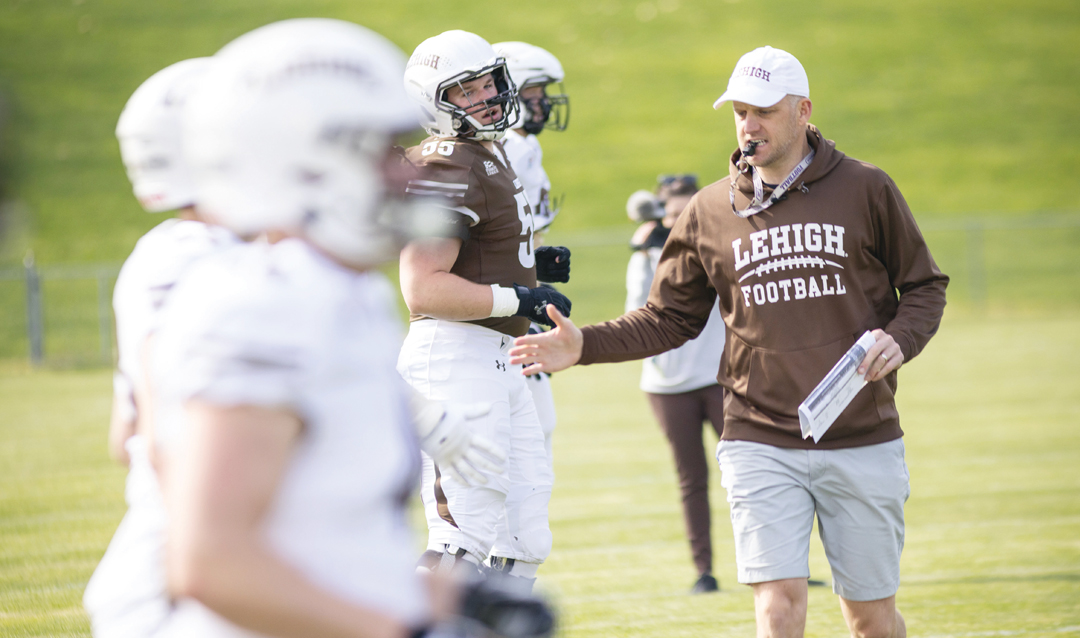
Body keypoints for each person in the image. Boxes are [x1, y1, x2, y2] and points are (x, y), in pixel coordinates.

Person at [511, 45, 948, 637]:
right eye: (740, 111)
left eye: (764, 110)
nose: (750, 124)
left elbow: (924, 286)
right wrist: (583, 344)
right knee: (778, 604)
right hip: (758, 437)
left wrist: (901, 339)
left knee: (869, 617)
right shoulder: (709, 209)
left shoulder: (866, 187)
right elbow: (668, 318)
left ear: (803, 110)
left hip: (861, 434)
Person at [147, 19, 552, 638]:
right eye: (374, 150)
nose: (403, 174)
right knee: (465, 524)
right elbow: (210, 561)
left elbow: (350, 539)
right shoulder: (253, 305)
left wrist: (468, 605)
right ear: (298, 163)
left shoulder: (345, 294)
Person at [399, 30, 572, 592]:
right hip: (455, 354)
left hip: (498, 357)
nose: (486, 98)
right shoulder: (450, 161)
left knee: (524, 536)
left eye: (487, 83)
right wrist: (519, 297)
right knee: (462, 533)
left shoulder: (486, 151)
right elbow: (423, 287)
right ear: (435, 101)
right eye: (466, 91)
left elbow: (473, 254)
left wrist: (525, 265)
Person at [83, 56, 240, 638]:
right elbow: (166, 437)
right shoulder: (191, 259)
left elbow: (123, 438)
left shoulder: (208, 251)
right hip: (184, 573)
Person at [488, 39, 571, 577]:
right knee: (527, 453)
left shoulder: (521, 149)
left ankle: (507, 569)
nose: (543, 104)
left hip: (515, 312)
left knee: (535, 442)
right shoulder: (513, 149)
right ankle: (503, 575)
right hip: (502, 324)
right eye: (535, 92)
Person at [624, 174, 727, 594]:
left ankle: (780, 563)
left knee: (750, 471)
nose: (679, 220)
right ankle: (703, 571)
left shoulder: (719, 243)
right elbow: (635, 315)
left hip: (720, 377)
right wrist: (651, 255)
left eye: (688, 212)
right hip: (667, 385)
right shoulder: (645, 254)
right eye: (671, 213)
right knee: (691, 479)